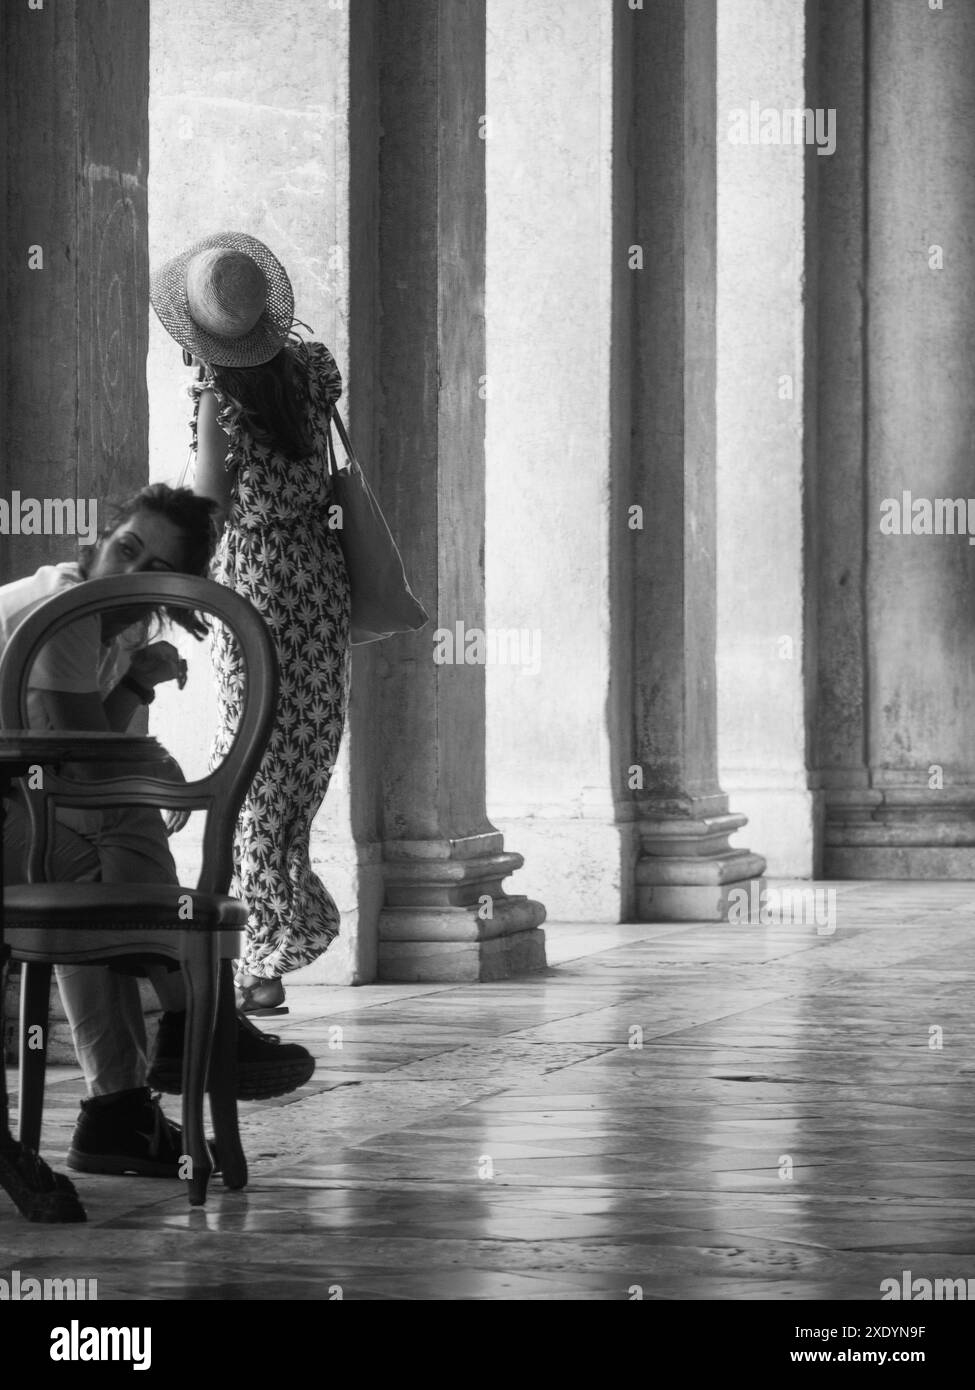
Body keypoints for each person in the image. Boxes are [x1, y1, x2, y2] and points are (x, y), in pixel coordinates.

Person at [0, 484, 315, 1178]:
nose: (131, 573)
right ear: (96, 544)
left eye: (155, 569)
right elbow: (80, 759)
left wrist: (137, 685)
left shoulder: (115, 631)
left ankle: (122, 1109)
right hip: (14, 804)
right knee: (112, 832)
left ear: (177, 588)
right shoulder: (63, 610)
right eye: (125, 549)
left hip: (20, 805)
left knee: (98, 871)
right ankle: (190, 1019)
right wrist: (158, 762)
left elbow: (71, 753)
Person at [150, 233, 351, 1016]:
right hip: (320, 583)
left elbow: (207, 506)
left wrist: (203, 404)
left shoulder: (217, 401)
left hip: (258, 590)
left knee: (253, 766)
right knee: (294, 763)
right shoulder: (311, 372)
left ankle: (260, 956)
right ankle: (269, 935)